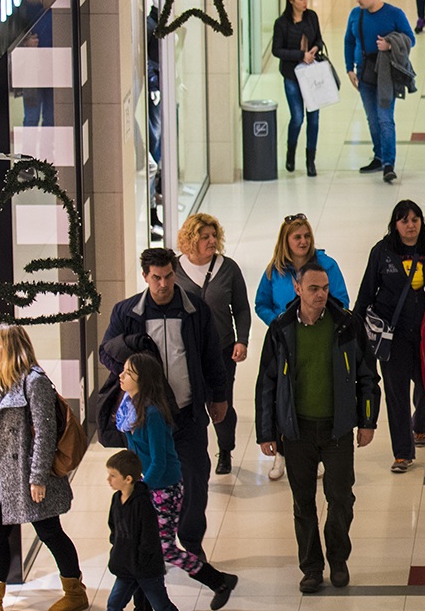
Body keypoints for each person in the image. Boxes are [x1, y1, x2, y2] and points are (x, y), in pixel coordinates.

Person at [98, 247, 230, 586]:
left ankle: (191, 543)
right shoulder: (127, 312)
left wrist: (219, 396)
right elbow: (107, 353)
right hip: (147, 417)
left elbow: (211, 355)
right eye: (156, 277)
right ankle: (151, 546)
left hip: (187, 411)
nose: (163, 284)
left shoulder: (194, 308)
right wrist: (132, 346)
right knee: (145, 482)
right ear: (145, 277)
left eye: (168, 276)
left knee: (196, 478)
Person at [255, 260, 382, 593]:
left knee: (341, 499)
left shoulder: (346, 325)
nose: (321, 294)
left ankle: (338, 559)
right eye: (313, 288)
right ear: (297, 289)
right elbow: (266, 383)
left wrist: (368, 421)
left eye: (325, 288)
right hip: (296, 432)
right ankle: (311, 567)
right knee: (303, 503)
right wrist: (266, 432)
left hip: (337, 429)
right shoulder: (281, 329)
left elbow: (368, 375)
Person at [0, 325, 85, 611]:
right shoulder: (3, 378)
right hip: (6, 474)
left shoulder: (34, 381)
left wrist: (38, 477)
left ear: (10, 347)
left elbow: (45, 431)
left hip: (29, 473)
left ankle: (75, 592)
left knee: (49, 532)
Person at [117, 351, 239, 609]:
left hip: (164, 488)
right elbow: (134, 452)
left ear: (143, 379)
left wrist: (141, 488)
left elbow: (160, 461)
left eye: (128, 372)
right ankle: (143, 609)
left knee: (165, 549)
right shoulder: (127, 407)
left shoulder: (151, 414)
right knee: (143, 547)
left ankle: (218, 581)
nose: (121, 375)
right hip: (146, 484)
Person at [358, 200, 425, 473]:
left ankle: (421, 424)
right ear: (395, 224)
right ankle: (402, 453)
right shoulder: (382, 251)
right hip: (393, 334)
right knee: (396, 393)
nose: (411, 225)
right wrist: (355, 328)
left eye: (415, 219)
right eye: (404, 220)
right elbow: (367, 291)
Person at [91, 451, 195, 611]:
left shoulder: (143, 504)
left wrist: (136, 560)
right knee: (113, 606)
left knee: (162, 606)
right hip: (126, 568)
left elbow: (148, 540)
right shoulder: (116, 499)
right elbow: (114, 528)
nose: (108, 480)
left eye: (112, 475)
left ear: (128, 479)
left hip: (146, 569)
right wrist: (118, 552)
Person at [174, 213, 251, 476]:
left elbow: (241, 308)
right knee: (191, 404)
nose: (211, 241)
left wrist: (242, 340)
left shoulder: (228, 268)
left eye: (213, 235)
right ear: (190, 240)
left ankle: (225, 449)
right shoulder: (173, 269)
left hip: (222, 350)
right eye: (204, 236)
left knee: (222, 402)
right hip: (186, 352)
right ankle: (194, 454)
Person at [344, 0, 415, 183]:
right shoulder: (356, 15)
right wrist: (349, 68)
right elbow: (349, 41)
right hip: (364, 73)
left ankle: (389, 163)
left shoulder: (394, 14)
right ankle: (379, 155)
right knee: (373, 119)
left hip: (386, 74)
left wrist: (390, 45)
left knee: (385, 118)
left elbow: (411, 38)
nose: (358, 1)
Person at [255, 214, 351, 328]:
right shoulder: (275, 270)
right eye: (297, 237)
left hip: (321, 330)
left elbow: (342, 302)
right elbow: (262, 304)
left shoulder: (328, 265)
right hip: (285, 335)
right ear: (285, 240)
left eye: (307, 236)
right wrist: (277, 323)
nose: (304, 241)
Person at [273, 0, 326, 178]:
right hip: (292, 75)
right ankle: (291, 152)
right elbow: (276, 50)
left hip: (311, 75)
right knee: (297, 117)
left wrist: (314, 50)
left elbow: (319, 39)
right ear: (291, 0)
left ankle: (310, 160)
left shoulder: (311, 17)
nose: (305, 2)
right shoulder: (282, 23)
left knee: (314, 118)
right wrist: (300, 55)